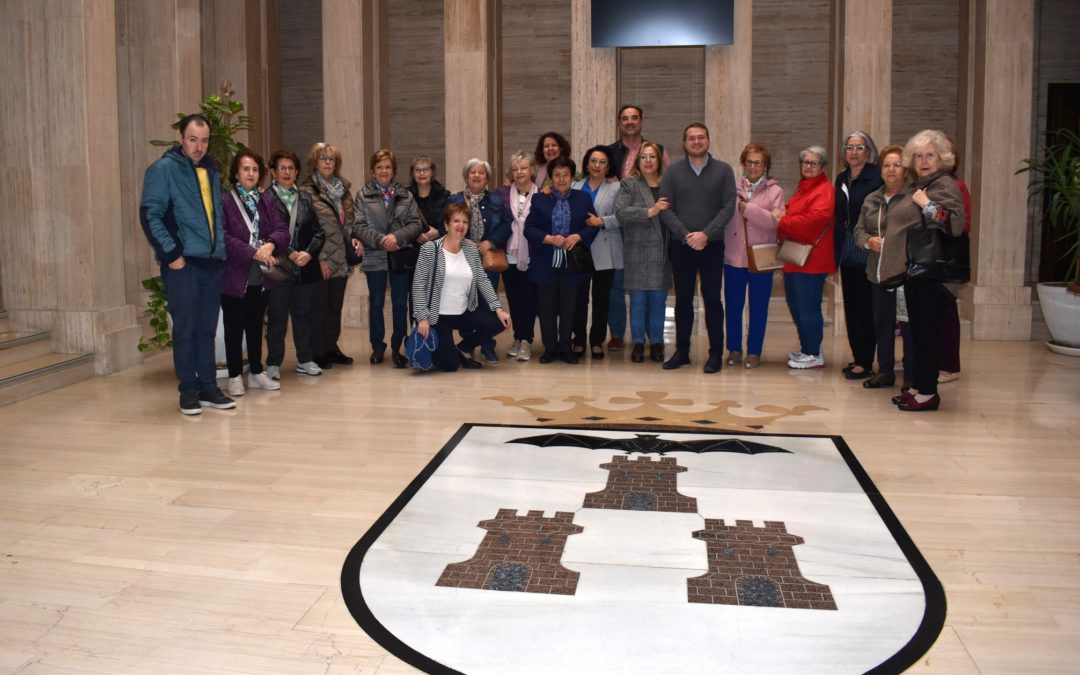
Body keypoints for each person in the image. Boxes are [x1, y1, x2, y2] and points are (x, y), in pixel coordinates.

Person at [139, 113, 235, 414]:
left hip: (211, 262)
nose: (199, 146)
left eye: (204, 140)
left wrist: (219, 252)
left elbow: (215, 217)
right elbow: (150, 215)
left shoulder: (211, 171)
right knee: (186, 328)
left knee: (207, 329)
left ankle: (208, 387)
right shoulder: (163, 170)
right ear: (181, 138)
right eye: (193, 139)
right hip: (183, 262)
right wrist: (172, 255)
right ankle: (188, 391)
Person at [889, 130, 966, 412]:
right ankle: (918, 387)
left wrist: (927, 205)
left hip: (934, 273)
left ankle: (928, 393)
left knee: (928, 334)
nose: (923, 160)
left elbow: (954, 224)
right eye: (919, 156)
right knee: (918, 333)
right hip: (917, 270)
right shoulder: (921, 184)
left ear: (941, 158)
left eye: (930, 155)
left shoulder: (944, 184)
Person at [657, 122, 737, 373]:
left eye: (701, 137)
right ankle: (682, 352)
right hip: (682, 246)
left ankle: (715, 354)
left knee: (713, 300)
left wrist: (705, 234)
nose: (696, 142)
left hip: (712, 245)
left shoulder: (724, 171)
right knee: (682, 301)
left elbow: (728, 208)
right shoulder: (673, 172)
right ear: (684, 143)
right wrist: (686, 235)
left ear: (708, 140)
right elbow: (665, 208)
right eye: (691, 138)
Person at [220, 150, 289, 396]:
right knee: (233, 327)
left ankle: (257, 372)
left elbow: (282, 229)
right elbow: (224, 237)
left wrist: (270, 244)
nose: (251, 173)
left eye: (255, 169)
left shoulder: (266, 200)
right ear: (236, 172)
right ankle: (235, 375)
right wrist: (252, 252)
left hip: (262, 276)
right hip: (235, 274)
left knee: (256, 325)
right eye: (246, 169)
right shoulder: (226, 200)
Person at [412, 202, 511, 371]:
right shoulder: (430, 249)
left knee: (500, 322)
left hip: (464, 312)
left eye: (465, 222)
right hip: (438, 316)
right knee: (450, 366)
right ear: (446, 224)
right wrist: (422, 318)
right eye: (456, 221)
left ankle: (462, 348)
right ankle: (429, 345)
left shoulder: (471, 250)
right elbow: (418, 285)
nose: (461, 226)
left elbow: (482, 280)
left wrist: (498, 308)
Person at [352, 149, 424, 367]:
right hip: (375, 257)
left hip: (400, 256)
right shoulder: (362, 195)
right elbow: (358, 225)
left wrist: (397, 238)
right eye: (379, 167)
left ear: (393, 171)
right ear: (373, 171)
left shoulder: (406, 195)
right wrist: (381, 240)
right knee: (376, 303)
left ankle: (397, 347)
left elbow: (416, 224)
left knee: (401, 304)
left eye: (387, 167)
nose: (384, 171)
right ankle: (377, 347)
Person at [524, 157, 599, 363]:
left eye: (565, 174)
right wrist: (547, 238)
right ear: (551, 177)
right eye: (557, 175)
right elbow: (528, 229)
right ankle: (550, 348)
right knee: (546, 307)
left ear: (572, 176)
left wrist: (578, 236)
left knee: (570, 306)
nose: (561, 179)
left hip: (572, 262)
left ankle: (565, 347)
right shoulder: (540, 199)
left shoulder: (582, 198)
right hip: (545, 260)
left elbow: (592, 225)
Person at [722, 142, 785, 369]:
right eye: (749, 161)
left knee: (759, 307)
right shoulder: (731, 187)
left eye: (758, 162)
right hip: (733, 256)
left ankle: (754, 351)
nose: (753, 166)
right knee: (733, 306)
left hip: (761, 258)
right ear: (743, 163)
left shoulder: (775, 191)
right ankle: (734, 349)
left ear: (765, 165)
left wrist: (749, 209)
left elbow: (774, 223)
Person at [853, 144, 911, 389]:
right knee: (882, 324)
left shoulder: (912, 199)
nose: (891, 170)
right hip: (877, 272)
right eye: (886, 165)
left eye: (896, 165)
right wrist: (868, 241)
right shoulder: (872, 198)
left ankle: (913, 375)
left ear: (905, 170)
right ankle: (885, 370)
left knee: (909, 327)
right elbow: (858, 230)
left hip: (906, 273)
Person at [264, 150, 325, 380]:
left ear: (297, 172)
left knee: (303, 315)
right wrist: (289, 253)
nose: (287, 172)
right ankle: (273, 363)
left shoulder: (306, 198)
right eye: (282, 168)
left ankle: (305, 359)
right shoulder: (266, 199)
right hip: (279, 267)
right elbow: (267, 232)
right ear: (273, 172)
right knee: (278, 316)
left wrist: (308, 253)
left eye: (291, 168)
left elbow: (319, 232)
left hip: (304, 267)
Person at [776, 145, 836, 370]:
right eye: (805, 162)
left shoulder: (824, 190)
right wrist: (783, 216)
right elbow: (794, 214)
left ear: (823, 166)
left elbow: (812, 222)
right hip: (797, 258)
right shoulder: (805, 188)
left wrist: (782, 221)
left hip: (812, 260)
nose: (808, 166)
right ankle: (809, 347)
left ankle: (812, 354)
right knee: (797, 305)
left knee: (808, 307)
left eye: (813, 163)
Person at [300, 142, 356, 371]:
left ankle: (331, 347)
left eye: (331, 159)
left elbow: (350, 222)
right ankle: (317, 351)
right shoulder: (306, 191)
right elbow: (307, 228)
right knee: (319, 307)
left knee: (335, 305)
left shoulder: (343, 190)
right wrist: (320, 257)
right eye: (322, 158)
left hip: (341, 256)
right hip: (321, 257)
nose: (327, 162)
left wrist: (356, 239)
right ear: (314, 162)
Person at [448, 159, 509, 363]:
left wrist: (490, 242)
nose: (476, 175)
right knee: (466, 304)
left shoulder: (496, 200)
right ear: (466, 175)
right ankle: (468, 344)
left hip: (486, 260)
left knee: (487, 304)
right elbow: (445, 226)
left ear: (487, 178)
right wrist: (462, 242)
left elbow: (506, 227)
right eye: (472, 172)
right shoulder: (455, 199)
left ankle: (488, 346)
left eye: (481, 173)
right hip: (460, 259)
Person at [614, 141, 671, 363]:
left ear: (659, 161)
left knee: (658, 300)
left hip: (662, 252)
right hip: (637, 250)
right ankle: (638, 341)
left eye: (652, 157)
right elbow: (620, 212)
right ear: (638, 161)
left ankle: (657, 341)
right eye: (644, 157)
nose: (648, 161)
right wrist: (649, 211)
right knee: (637, 301)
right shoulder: (629, 184)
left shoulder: (669, 184)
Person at [835, 131, 885, 380]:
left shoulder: (876, 176)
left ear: (869, 151)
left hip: (867, 247)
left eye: (859, 147)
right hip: (846, 247)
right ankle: (859, 356)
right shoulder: (841, 178)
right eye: (849, 147)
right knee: (852, 305)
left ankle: (866, 362)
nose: (854, 152)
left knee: (866, 307)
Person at [571, 145, 622, 360]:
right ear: (586, 163)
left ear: (608, 165)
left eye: (602, 162)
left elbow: (623, 216)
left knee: (602, 298)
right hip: (579, 250)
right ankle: (579, 340)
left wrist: (601, 221)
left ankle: (597, 341)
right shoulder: (574, 185)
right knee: (578, 298)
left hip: (605, 248)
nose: (597, 166)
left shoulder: (617, 188)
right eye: (593, 161)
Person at [495, 151, 540, 361]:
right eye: (515, 169)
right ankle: (517, 337)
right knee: (513, 299)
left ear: (532, 169)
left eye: (523, 167)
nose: (519, 172)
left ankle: (526, 341)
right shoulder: (502, 193)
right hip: (510, 255)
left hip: (532, 255)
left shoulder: (542, 194)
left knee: (529, 300)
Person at [606, 104, 670, 178]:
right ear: (619, 124)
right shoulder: (608, 153)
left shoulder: (659, 150)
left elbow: (669, 180)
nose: (630, 122)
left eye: (634, 118)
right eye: (625, 119)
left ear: (641, 122)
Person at [408, 155, 450, 242]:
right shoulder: (405, 196)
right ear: (412, 173)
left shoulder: (444, 195)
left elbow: (451, 222)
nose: (422, 173)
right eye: (417, 170)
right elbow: (400, 223)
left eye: (426, 170)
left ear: (432, 173)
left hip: (438, 245)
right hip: (412, 247)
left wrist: (439, 232)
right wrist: (415, 234)